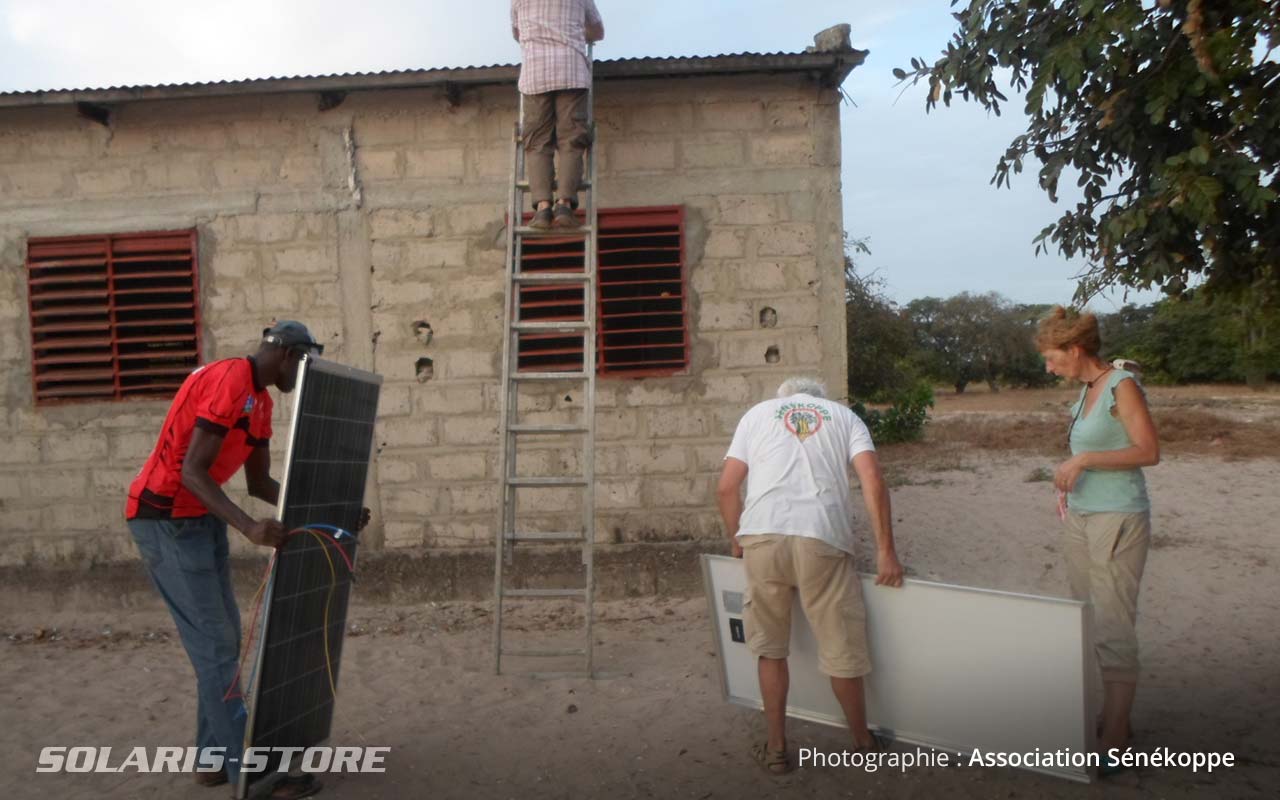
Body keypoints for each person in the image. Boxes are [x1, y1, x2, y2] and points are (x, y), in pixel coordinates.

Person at [125, 320, 359, 799]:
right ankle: (252, 773)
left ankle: (213, 760)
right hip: (164, 517)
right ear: (288, 353)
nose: (304, 374)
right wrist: (249, 527)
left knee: (224, 639)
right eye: (304, 362)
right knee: (216, 645)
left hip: (200, 518)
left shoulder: (262, 404)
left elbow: (262, 486)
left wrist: (334, 513)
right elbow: (192, 472)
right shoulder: (231, 378)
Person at [716, 376, 904, 775]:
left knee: (770, 648)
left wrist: (737, 540)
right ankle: (862, 742)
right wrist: (887, 551)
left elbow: (727, 488)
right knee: (841, 647)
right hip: (822, 535)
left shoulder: (757, 414)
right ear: (820, 397)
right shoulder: (845, 417)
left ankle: (777, 749)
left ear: (784, 396)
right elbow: (873, 480)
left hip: (762, 535)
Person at [1035, 306, 1159, 772]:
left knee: (1112, 625)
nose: (1049, 368)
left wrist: (1082, 463)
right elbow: (1093, 449)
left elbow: (1149, 451)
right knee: (1084, 616)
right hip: (1084, 516)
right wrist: (1069, 479)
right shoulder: (1087, 389)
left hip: (1118, 517)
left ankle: (1114, 739)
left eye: (1052, 358)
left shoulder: (1120, 385)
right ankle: (1112, 718)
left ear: (1075, 349)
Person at [510, 0, 604, 230]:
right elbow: (598, 32)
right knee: (572, 139)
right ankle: (563, 206)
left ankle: (542, 208)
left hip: (535, 75)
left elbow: (517, 32)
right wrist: (573, 30)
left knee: (537, 143)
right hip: (570, 71)